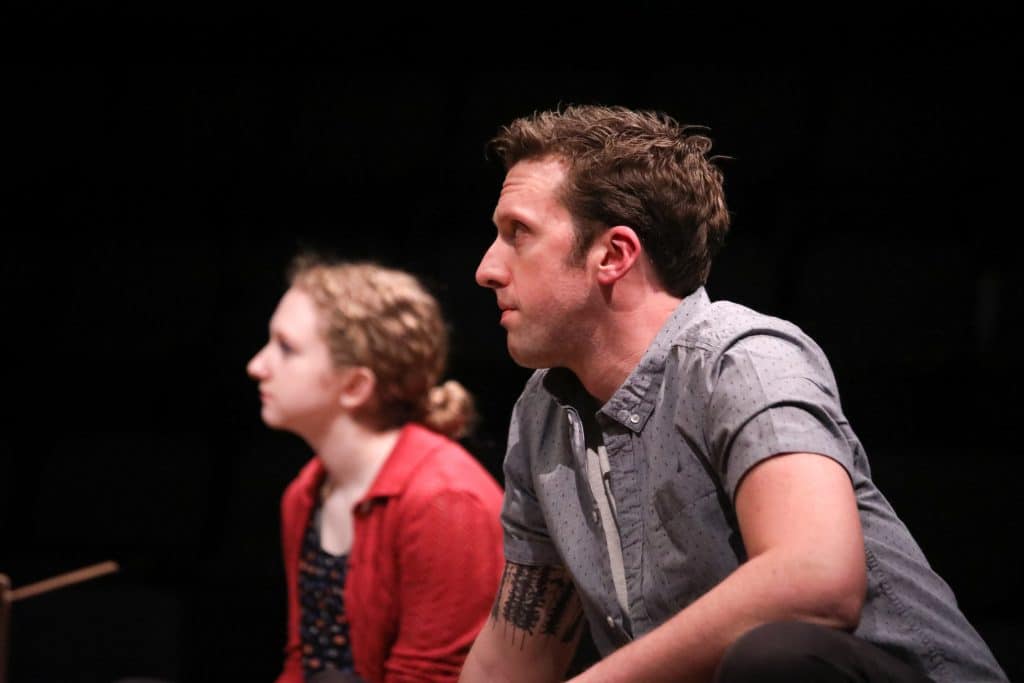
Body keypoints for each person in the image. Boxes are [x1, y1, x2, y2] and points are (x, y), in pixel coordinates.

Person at [458, 105, 1008, 683]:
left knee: (773, 658)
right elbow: (513, 658)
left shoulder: (740, 359)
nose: (487, 268)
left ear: (614, 255)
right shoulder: (543, 413)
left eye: (518, 233)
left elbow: (816, 580)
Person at [247, 256, 504, 683]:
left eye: (286, 348)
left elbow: (428, 677)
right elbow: (304, 662)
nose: (257, 366)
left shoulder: (443, 501)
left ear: (355, 386)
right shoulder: (305, 493)